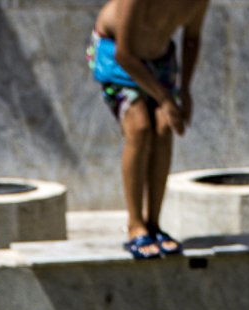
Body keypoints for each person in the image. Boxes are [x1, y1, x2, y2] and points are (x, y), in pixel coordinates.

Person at [90, 0, 212, 257]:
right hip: (117, 56)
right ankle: (135, 224)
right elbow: (124, 53)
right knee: (140, 127)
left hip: (161, 60)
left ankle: (154, 223)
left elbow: (191, 39)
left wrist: (185, 91)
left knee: (164, 129)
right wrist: (166, 99)